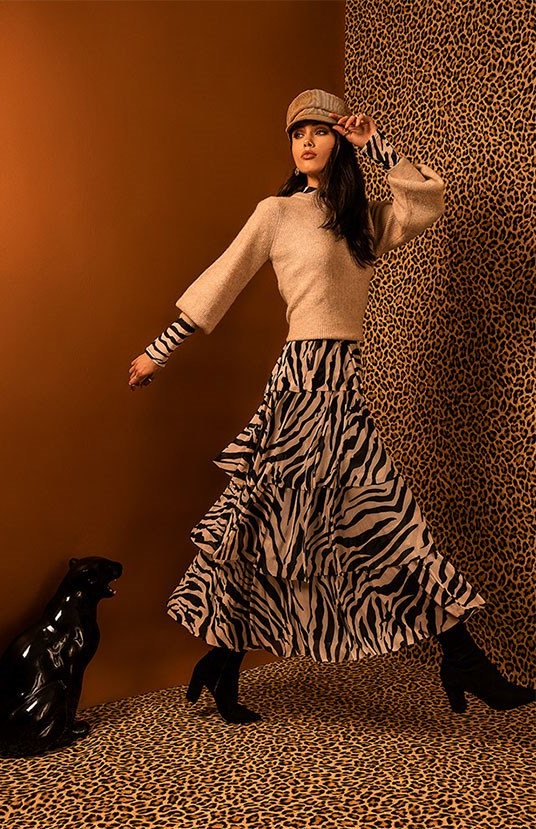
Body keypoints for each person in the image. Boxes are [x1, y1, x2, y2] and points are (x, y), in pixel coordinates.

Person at [129, 89, 535, 724]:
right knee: (281, 522)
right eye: (298, 134)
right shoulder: (276, 213)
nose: (307, 142)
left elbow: (426, 199)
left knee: (379, 518)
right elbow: (221, 279)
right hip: (300, 387)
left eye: (320, 131)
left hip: (344, 385)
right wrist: (158, 350)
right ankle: (458, 659)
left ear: (340, 141)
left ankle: (455, 658)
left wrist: (376, 145)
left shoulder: (362, 218)